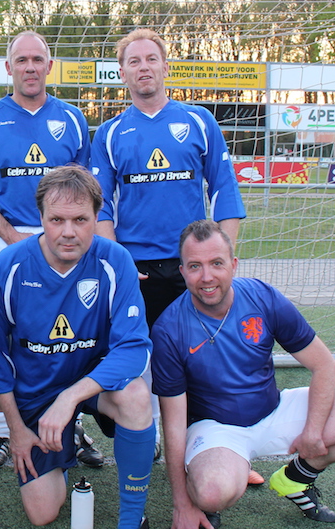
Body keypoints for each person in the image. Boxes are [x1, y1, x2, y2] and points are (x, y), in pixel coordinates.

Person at [152, 220, 335, 529]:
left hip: (274, 410)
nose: (207, 277)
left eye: (216, 263)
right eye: (195, 266)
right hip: (217, 429)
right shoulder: (168, 329)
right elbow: (174, 424)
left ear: (233, 264)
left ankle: (297, 478)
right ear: (182, 271)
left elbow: (324, 365)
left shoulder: (263, 297)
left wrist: (313, 431)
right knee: (212, 493)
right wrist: (182, 504)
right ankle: (213, 482)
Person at [92, 28, 247, 464]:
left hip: (192, 267)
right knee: (134, 358)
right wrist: (119, 262)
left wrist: (219, 260)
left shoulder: (199, 121)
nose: (143, 67)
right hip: (136, 267)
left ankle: (214, 445)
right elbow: (100, 207)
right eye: (134, 61)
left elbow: (226, 192)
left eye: (150, 59)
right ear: (122, 72)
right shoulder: (109, 132)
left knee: (203, 359)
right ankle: (146, 431)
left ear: (165, 66)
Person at [0, 165, 155, 529]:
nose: (69, 232)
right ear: (40, 216)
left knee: (136, 397)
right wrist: (16, 430)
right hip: (36, 392)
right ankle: (62, 439)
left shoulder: (115, 260)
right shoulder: (7, 268)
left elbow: (134, 348)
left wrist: (70, 398)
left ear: (97, 217)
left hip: (93, 382)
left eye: (80, 219)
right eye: (57, 220)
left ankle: (131, 519)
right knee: (42, 513)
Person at [0, 31, 102, 470]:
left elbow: (88, 190)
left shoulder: (72, 118)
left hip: (65, 236)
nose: (30, 67)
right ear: (9, 67)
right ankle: (3, 430)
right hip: (8, 239)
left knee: (73, 330)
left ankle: (74, 425)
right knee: (4, 335)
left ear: (49, 65)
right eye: (21, 60)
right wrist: (10, 235)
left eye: (38, 59)